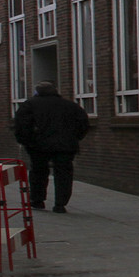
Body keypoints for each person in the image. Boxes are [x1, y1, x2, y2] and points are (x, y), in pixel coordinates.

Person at [11, 81, 92, 212]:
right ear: (56, 91)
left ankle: (37, 200)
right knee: (64, 173)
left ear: (37, 91)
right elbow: (83, 124)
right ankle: (60, 204)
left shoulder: (30, 105)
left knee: (38, 171)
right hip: (65, 146)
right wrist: (74, 138)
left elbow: (21, 126)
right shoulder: (70, 105)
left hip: (38, 146)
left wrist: (27, 142)